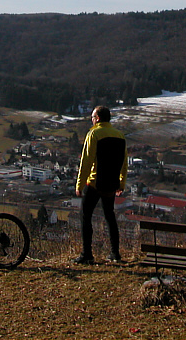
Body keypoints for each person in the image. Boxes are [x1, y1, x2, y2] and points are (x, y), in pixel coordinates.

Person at [74, 105, 127, 264]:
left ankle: (87, 254)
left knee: (85, 215)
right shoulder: (120, 135)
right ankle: (115, 254)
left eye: (92, 117)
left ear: (97, 119)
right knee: (110, 217)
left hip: (95, 182)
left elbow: (86, 161)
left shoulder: (94, 134)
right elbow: (124, 163)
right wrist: (121, 183)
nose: (91, 120)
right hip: (111, 184)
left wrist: (80, 184)